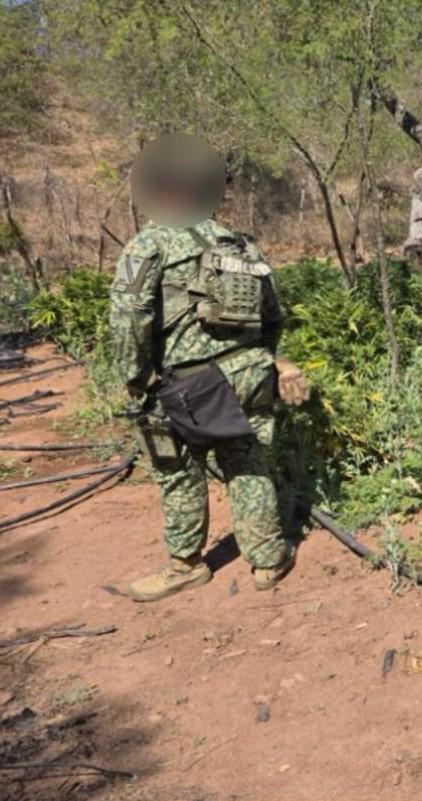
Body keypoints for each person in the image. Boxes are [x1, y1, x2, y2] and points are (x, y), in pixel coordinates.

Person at [109, 134, 310, 602]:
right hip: (248, 372)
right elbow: (273, 315)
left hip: (188, 383)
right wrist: (266, 361)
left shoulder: (147, 245)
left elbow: (129, 318)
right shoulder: (242, 246)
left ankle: (186, 565)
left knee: (177, 468)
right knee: (246, 462)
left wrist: (137, 379)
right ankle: (268, 560)